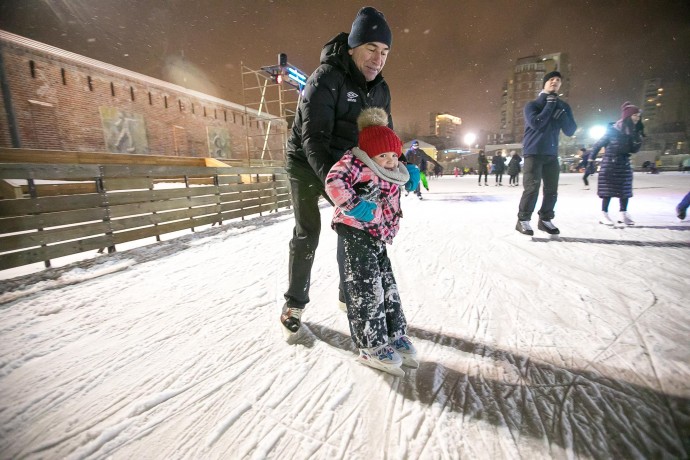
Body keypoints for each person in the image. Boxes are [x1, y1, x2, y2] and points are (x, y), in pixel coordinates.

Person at [280, 7, 419, 335]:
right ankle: (295, 301)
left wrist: (403, 165)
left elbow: (386, 140)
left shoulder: (381, 90)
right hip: (306, 162)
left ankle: (349, 291)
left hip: (348, 165)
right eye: (371, 48)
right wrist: (339, 189)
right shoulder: (326, 77)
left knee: (355, 228)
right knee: (307, 232)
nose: (378, 58)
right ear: (353, 47)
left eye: (385, 51)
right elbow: (314, 138)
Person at [325, 108, 417, 375]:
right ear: (369, 154)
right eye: (383, 155)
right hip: (355, 232)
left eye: (393, 154)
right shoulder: (355, 164)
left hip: (379, 235)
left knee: (387, 286)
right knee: (366, 289)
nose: (389, 161)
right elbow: (333, 182)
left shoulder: (393, 169)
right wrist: (354, 205)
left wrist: (409, 178)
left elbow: (395, 186)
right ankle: (371, 346)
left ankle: (394, 333)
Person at [515, 70, 577, 235]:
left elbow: (570, 130)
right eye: (551, 79)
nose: (555, 81)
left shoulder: (563, 106)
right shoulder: (532, 105)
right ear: (544, 83)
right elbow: (536, 123)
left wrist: (562, 115)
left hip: (551, 154)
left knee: (551, 190)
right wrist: (549, 105)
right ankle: (523, 220)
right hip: (533, 152)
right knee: (532, 188)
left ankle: (545, 219)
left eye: (558, 79)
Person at [590, 102, 644, 226]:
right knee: (607, 190)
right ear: (628, 116)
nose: (637, 118)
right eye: (635, 115)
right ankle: (604, 213)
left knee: (625, 190)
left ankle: (623, 213)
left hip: (624, 163)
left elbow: (634, 150)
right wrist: (590, 160)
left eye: (638, 116)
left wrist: (638, 139)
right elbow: (598, 145)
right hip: (610, 164)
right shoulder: (613, 130)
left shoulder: (633, 132)